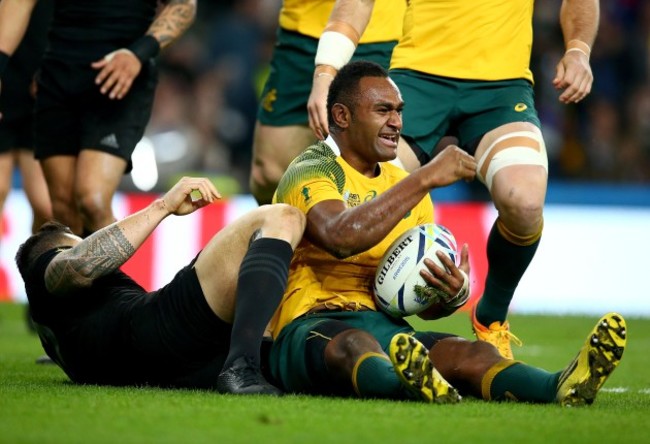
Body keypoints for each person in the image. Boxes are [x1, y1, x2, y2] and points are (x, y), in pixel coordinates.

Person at [268, 61, 626, 406]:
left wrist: (447, 294)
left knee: (469, 352)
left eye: (399, 110)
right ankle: (408, 382)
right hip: (307, 325)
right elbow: (340, 237)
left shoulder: (403, 188)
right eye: (383, 111)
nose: (396, 122)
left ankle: (559, 386)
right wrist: (423, 177)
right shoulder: (313, 167)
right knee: (356, 346)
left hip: (381, 324)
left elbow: (415, 305)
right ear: (342, 117)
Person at [307, 0, 600, 359]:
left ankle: (490, 318)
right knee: (361, 192)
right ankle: (337, 313)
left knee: (524, 202)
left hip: (502, 88)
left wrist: (579, 50)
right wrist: (325, 75)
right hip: (416, 81)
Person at [14, 176, 306, 394]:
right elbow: (80, 265)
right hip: (165, 328)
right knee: (282, 216)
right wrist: (163, 206)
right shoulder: (44, 271)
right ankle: (242, 365)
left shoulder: (58, 339)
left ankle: (253, 355)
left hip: (175, 370)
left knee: (301, 362)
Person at [0, 0, 196, 237]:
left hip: (121, 79)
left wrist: (138, 53)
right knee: (61, 210)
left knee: (92, 200)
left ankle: (110, 275)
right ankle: (73, 273)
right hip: (58, 77)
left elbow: (184, 4)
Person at [248, 0, 406, 204]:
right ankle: (288, 231)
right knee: (269, 174)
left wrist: (325, 73)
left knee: (374, 173)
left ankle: (357, 228)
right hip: (300, 31)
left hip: (374, 34)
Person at [0, 0, 52, 236]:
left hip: (42, 92)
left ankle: (34, 270)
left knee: (47, 206)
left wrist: (54, 68)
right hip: (4, 84)